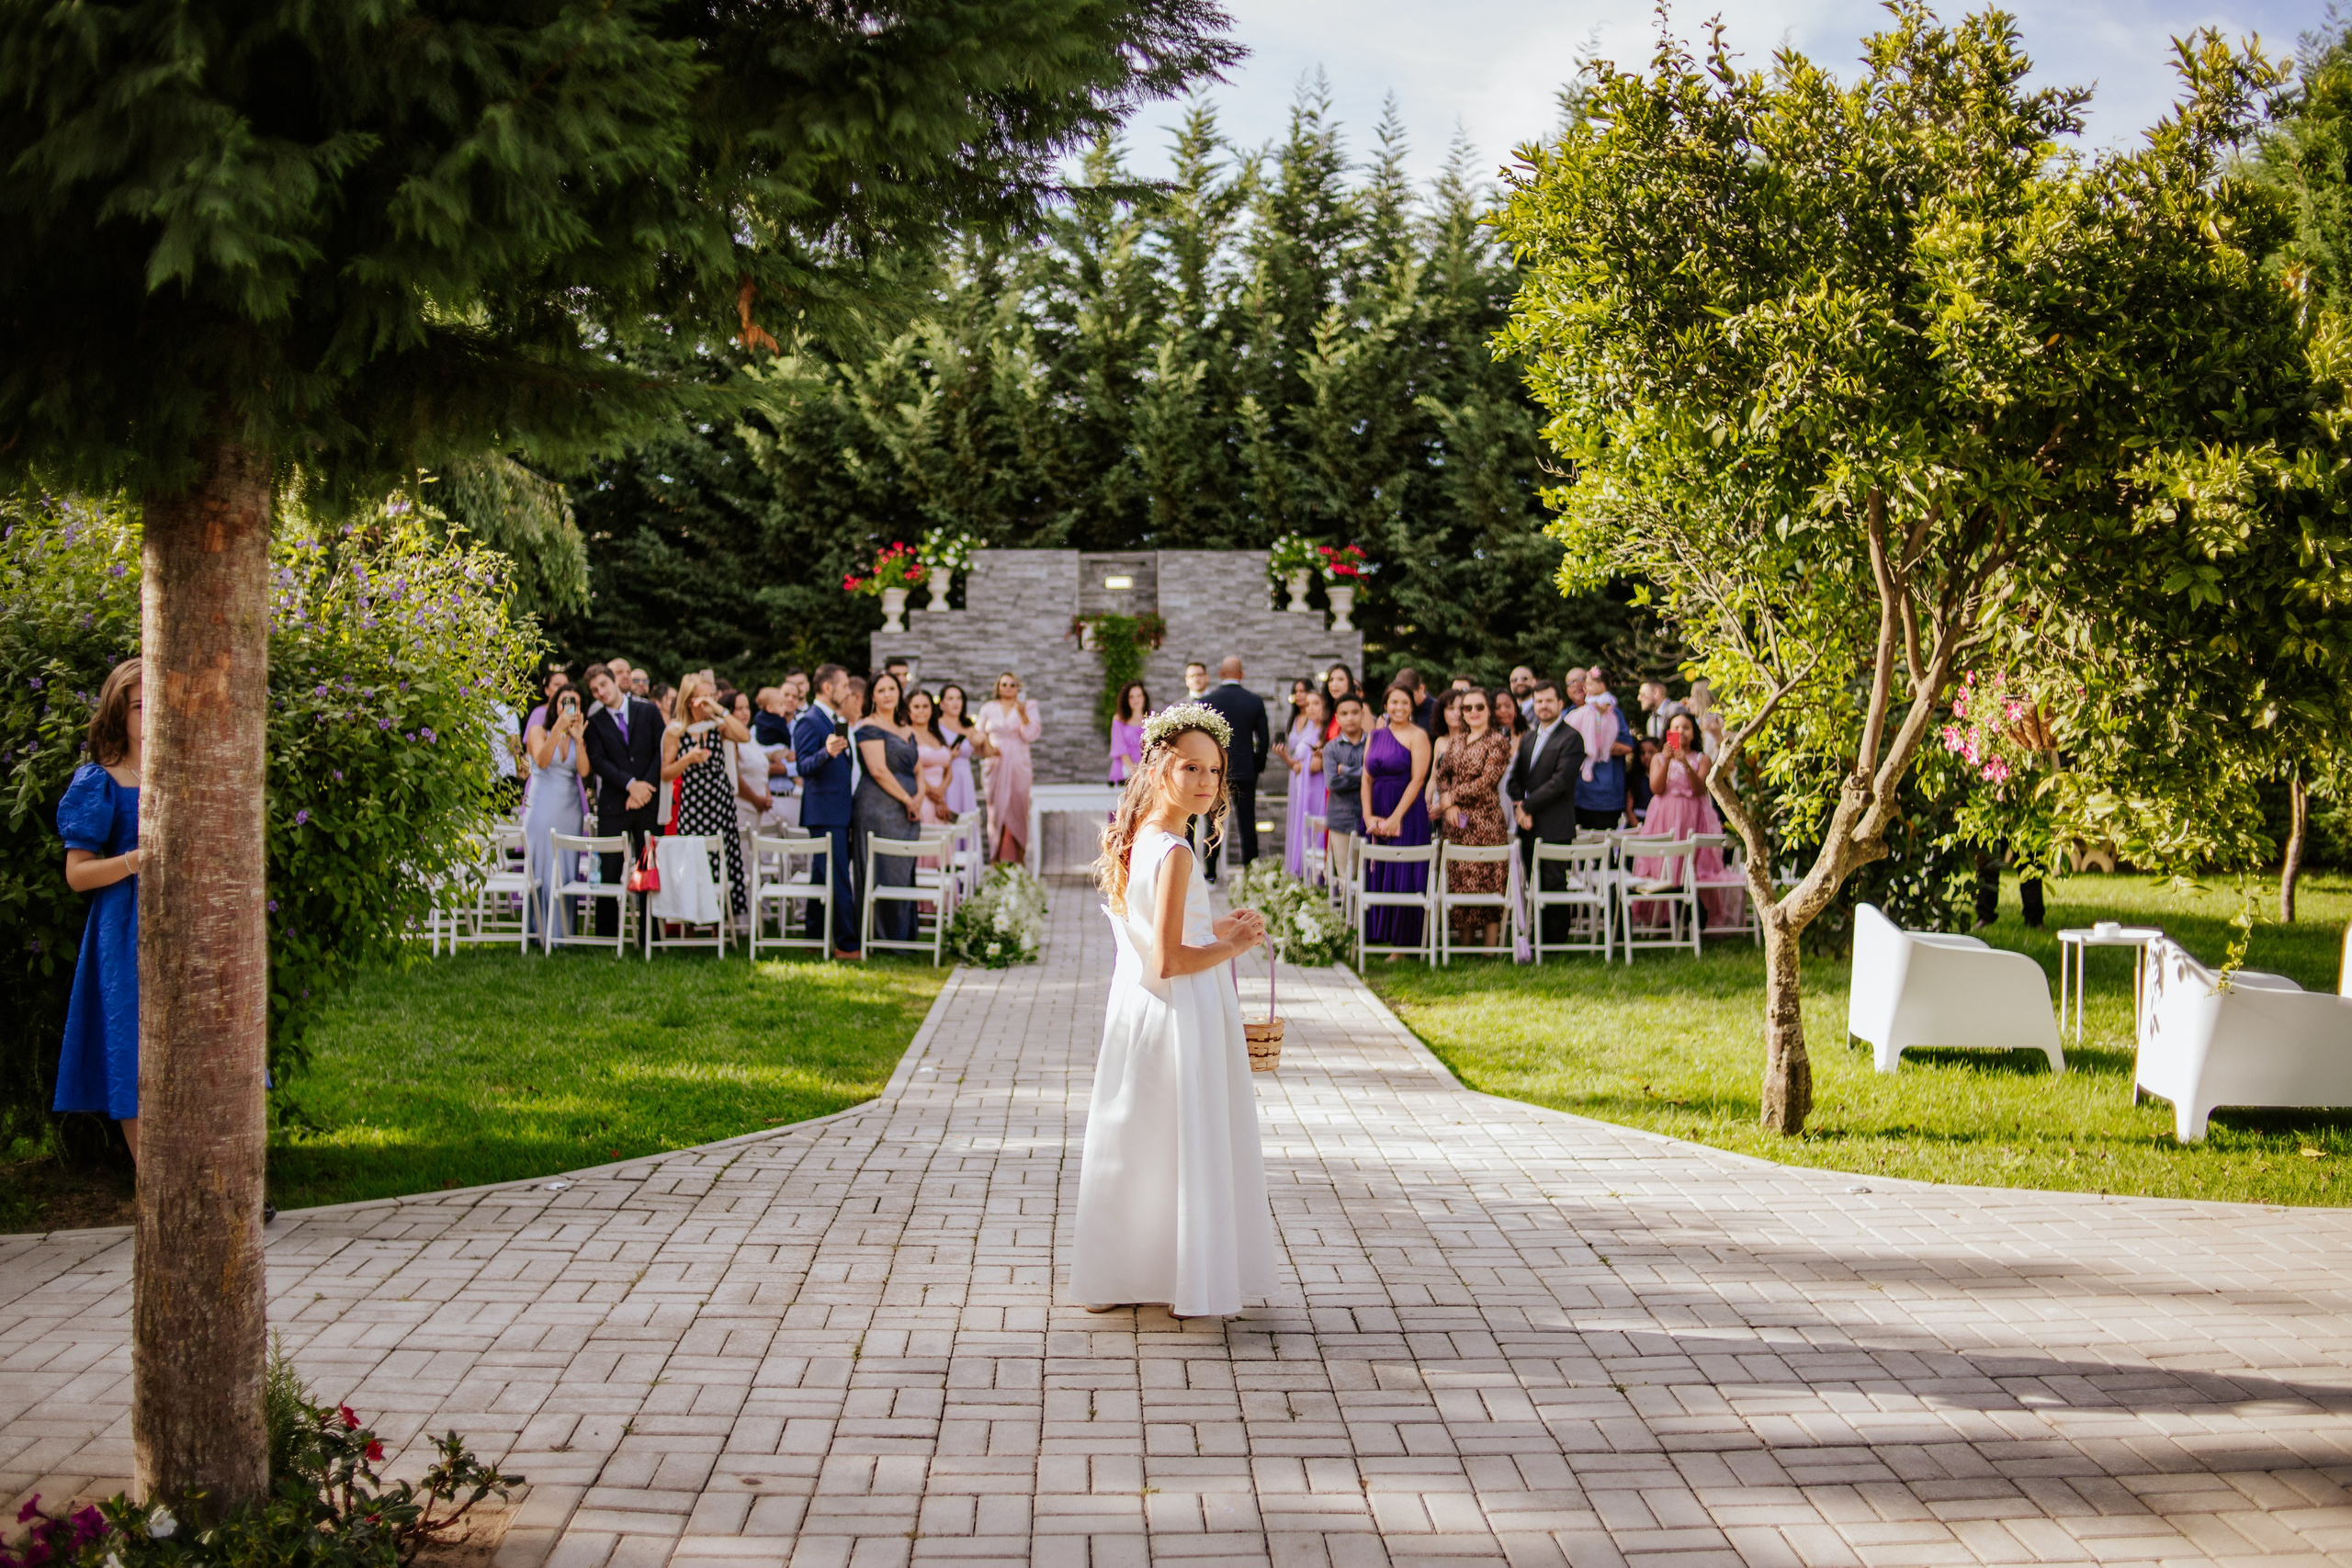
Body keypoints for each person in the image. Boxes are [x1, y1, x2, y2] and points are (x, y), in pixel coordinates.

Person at [1072, 702, 1276, 1318]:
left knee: (1142, 1138)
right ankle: (1183, 1273)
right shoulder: (1178, 850)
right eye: (1192, 767)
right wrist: (1233, 944)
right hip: (1179, 1008)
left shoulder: (1149, 836)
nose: (1207, 782)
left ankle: (1124, 1269)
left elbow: (1161, 924)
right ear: (1162, 766)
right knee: (1183, 1138)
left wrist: (1214, 924)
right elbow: (1168, 958)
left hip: (1139, 1011)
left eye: (1215, 770)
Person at [54, 659, 144, 1160]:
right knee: (131, 1056)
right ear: (118, 712)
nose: (150, 714)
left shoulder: (191, 771)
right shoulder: (100, 780)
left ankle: (223, 1188)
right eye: (138, 705)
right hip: (122, 931)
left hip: (191, 927)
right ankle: (156, 1185)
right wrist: (135, 860)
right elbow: (77, 874)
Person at [1634, 712, 1739, 926]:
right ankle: (1663, 916)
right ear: (1668, 732)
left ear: (1693, 733)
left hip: (1693, 817)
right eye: (1676, 727)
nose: (1680, 732)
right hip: (1664, 816)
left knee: (1691, 864)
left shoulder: (1702, 759)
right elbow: (1656, 788)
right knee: (1664, 863)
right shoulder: (1659, 758)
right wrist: (1667, 761)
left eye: (1686, 728)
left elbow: (1700, 789)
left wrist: (1685, 762)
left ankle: (1695, 916)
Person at [663, 671, 753, 920]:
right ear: (689, 700)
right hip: (693, 803)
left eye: (710, 696)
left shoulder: (719, 726)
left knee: (722, 857)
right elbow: (665, 772)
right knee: (693, 862)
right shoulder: (676, 731)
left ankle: (720, 922)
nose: (707, 702)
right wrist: (688, 759)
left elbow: (744, 736)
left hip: (720, 801)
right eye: (702, 698)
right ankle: (691, 923)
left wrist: (720, 709)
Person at [583, 662, 664, 936]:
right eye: (594, 690)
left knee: (648, 865)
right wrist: (631, 786)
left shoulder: (648, 710)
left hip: (648, 803)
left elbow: (660, 750)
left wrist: (645, 788)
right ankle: (606, 934)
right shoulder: (594, 723)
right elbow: (598, 761)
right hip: (614, 804)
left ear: (614, 681)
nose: (600, 692)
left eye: (603, 685)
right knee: (610, 868)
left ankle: (648, 935)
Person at [1507, 680, 1588, 942]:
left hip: (1555, 824)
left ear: (1560, 704)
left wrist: (1527, 807)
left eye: (1548, 701)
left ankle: (1555, 942)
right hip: (1528, 824)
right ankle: (1537, 938)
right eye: (1539, 701)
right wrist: (1521, 807)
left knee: (1554, 884)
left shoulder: (1571, 738)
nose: (1543, 706)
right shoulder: (1529, 737)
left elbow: (1561, 782)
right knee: (1533, 882)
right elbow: (1514, 780)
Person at [1432, 686, 1512, 950]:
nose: (1473, 712)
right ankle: (1465, 947)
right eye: (1467, 708)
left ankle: (1490, 950)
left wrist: (1450, 798)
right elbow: (1442, 774)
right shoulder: (1456, 741)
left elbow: (1487, 781)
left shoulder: (1498, 742)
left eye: (1479, 707)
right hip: (1457, 824)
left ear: (1489, 709)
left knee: (1490, 882)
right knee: (1461, 883)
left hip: (1486, 822)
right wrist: (1450, 803)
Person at [792, 664, 863, 957]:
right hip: (824, 811)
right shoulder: (810, 721)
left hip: (837, 809)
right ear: (827, 688)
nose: (848, 691)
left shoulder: (832, 719)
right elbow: (803, 766)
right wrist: (827, 752)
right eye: (844, 686)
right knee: (837, 877)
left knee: (822, 875)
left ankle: (813, 936)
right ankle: (847, 944)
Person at [1363, 683, 1433, 952]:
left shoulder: (1419, 736)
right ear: (1386, 705)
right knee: (1379, 870)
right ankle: (1378, 933)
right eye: (1394, 702)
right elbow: (1366, 779)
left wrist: (1395, 818)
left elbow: (1418, 780)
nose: (1399, 707)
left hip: (1407, 811)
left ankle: (1402, 944)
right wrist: (1369, 815)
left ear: (1412, 707)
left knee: (1404, 871)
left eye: (1404, 702)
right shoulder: (1375, 735)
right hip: (1377, 809)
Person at [856, 671, 924, 942]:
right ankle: (880, 936)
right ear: (872, 696)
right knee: (883, 867)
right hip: (879, 807)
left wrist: (919, 795)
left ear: (899, 693)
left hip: (909, 809)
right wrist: (908, 800)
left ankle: (903, 934)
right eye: (881, 690)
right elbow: (878, 770)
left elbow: (918, 768)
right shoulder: (867, 726)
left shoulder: (907, 728)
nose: (887, 694)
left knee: (903, 866)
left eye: (892, 689)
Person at [524, 676, 590, 938]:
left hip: (570, 808)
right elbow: (541, 761)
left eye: (575, 703)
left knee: (566, 863)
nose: (570, 707)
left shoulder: (578, 736)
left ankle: (563, 932)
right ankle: (537, 930)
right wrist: (557, 730)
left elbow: (584, 771)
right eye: (566, 702)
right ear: (555, 705)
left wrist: (579, 739)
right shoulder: (539, 730)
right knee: (540, 864)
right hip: (541, 804)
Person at [1199, 657, 1271, 881]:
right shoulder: (1254, 701)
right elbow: (1264, 738)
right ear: (1241, 674)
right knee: (1248, 822)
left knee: (1214, 821)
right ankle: (1251, 873)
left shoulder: (1207, 701)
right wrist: (1257, 764)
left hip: (1217, 771)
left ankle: (1210, 873)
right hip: (1246, 770)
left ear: (1220, 674)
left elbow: (1202, 739)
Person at [979, 671, 1041, 863]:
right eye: (1004, 684)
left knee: (1017, 807)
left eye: (1012, 684)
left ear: (1018, 687)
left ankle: (1017, 861)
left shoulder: (1029, 705)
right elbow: (978, 736)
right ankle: (997, 861)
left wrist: (1022, 714)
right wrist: (989, 749)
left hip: (1018, 765)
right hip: (995, 766)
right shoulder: (988, 708)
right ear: (998, 687)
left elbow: (1030, 735)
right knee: (997, 810)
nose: (1008, 688)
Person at [1569, 667, 1635, 830]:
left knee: (1602, 849)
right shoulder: (1570, 714)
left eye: (1583, 680)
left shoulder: (1612, 713)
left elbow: (1627, 746)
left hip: (1603, 798)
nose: (1580, 685)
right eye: (1572, 682)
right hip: (1575, 797)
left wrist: (1598, 746)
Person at [1281, 688, 1329, 878]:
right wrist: (1286, 757)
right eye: (1308, 704)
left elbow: (1316, 765)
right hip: (1304, 787)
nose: (1310, 708)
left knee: (1315, 828)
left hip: (1317, 787)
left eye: (1316, 703)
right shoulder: (1310, 732)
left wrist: (1305, 765)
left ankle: (1317, 875)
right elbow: (1298, 766)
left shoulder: (1324, 735)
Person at [1322, 693, 1370, 879]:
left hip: (1370, 817)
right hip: (1341, 818)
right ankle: (1345, 910)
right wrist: (1363, 776)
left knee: (1368, 876)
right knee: (1345, 877)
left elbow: (1374, 778)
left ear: (1363, 713)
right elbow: (1332, 782)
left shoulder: (1373, 743)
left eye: (1355, 712)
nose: (1350, 718)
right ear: (1337, 717)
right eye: (1344, 713)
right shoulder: (1331, 748)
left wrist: (1347, 770)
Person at [937, 682, 986, 823]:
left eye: (959, 698)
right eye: (950, 698)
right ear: (942, 703)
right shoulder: (936, 726)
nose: (955, 702)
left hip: (965, 777)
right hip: (945, 775)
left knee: (966, 819)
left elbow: (986, 752)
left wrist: (983, 736)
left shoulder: (968, 727)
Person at [910, 689, 955, 826]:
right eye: (916, 707)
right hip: (922, 796)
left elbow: (948, 769)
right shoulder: (908, 734)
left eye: (925, 706)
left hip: (942, 796)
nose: (921, 711)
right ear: (908, 710)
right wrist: (934, 795)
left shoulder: (936, 734)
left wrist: (941, 792)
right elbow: (911, 768)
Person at [1108, 681, 1149, 787]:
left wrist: (1144, 770)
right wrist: (1133, 770)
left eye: (1139, 696)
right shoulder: (1119, 720)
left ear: (1144, 697)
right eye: (1131, 697)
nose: (1136, 700)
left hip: (1147, 771)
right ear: (1127, 700)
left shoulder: (1152, 719)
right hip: (1125, 771)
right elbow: (1119, 747)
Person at [1392, 666, 1439, 737]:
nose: (1406, 703)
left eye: (1410, 697)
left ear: (1421, 688)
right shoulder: (1394, 712)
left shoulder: (1437, 711)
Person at [1321, 663, 1358, 740]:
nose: (1334, 684)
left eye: (1340, 679)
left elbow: (1370, 747)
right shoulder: (1328, 711)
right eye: (1331, 680)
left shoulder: (1360, 709)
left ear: (1349, 683)